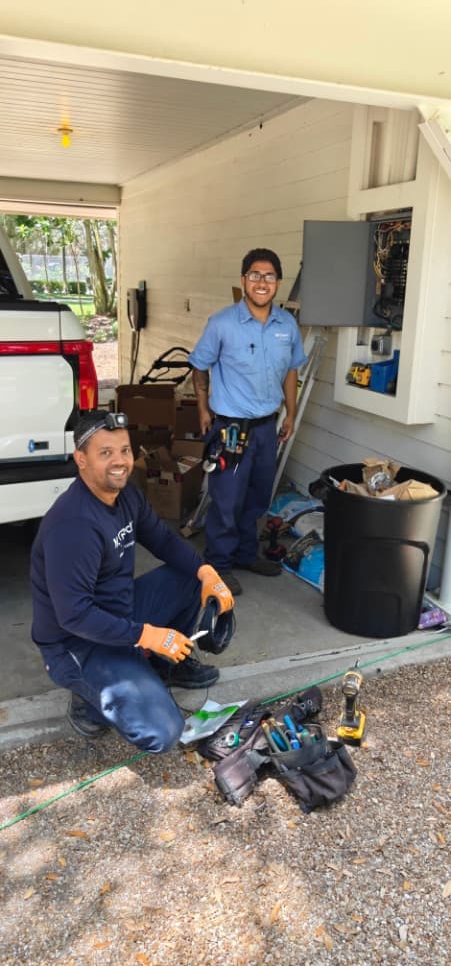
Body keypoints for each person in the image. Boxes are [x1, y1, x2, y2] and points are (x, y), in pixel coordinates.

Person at [30, 410, 234, 753]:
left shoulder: (126, 495)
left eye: (124, 450)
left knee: (188, 576)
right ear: (81, 459)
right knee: (163, 732)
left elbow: (163, 541)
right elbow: (75, 615)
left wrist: (207, 573)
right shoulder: (73, 525)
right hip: (76, 643)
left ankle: (163, 664)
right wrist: (148, 635)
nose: (120, 461)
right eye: (105, 452)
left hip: (121, 612)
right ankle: (89, 697)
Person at [189, 248, 307, 595]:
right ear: (243, 280)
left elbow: (291, 371)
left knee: (256, 497)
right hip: (230, 428)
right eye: (255, 275)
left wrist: (291, 413)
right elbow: (199, 366)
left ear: (278, 283)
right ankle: (219, 565)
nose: (261, 282)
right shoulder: (222, 323)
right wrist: (202, 410)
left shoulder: (286, 324)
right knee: (226, 501)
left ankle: (244, 554)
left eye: (269, 276)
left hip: (267, 427)